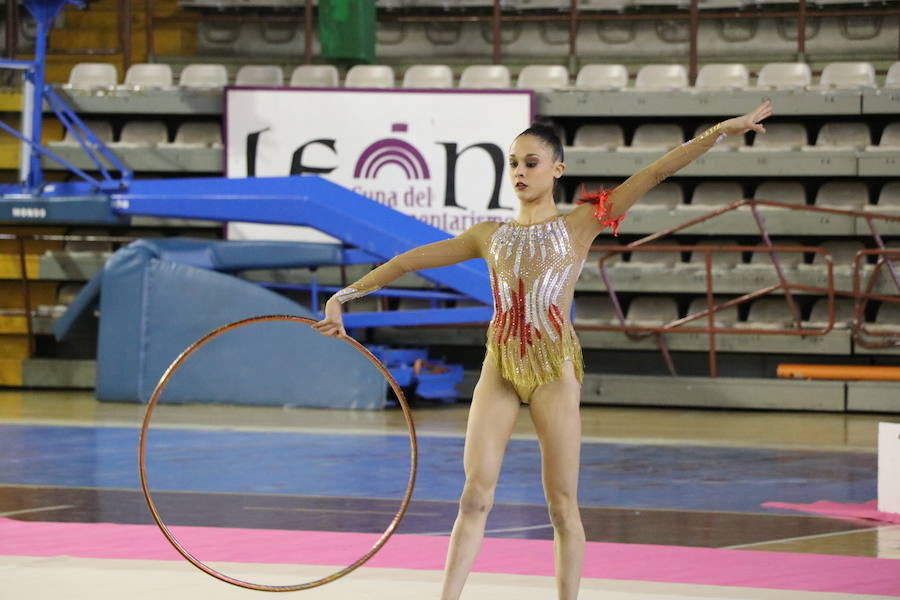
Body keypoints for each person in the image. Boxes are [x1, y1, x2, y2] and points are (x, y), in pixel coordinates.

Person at [313, 99, 773, 600]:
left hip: (555, 367)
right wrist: (342, 298)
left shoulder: (582, 223)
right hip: (501, 365)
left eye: (531, 163)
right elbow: (405, 261)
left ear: (557, 169)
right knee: (473, 498)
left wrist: (722, 131)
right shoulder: (488, 236)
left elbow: (659, 169)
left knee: (561, 506)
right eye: (512, 163)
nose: (519, 172)